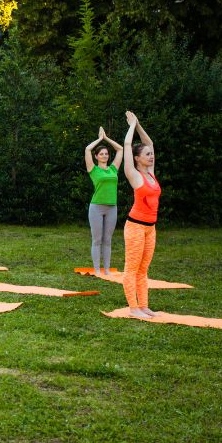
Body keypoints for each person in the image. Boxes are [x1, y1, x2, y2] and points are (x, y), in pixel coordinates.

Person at [122, 111, 160, 318]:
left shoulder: (151, 174)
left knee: (143, 269)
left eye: (150, 154)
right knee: (132, 268)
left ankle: (143, 306)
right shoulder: (134, 175)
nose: (151, 156)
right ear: (137, 158)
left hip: (150, 228)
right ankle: (133, 308)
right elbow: (128, 146)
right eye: (146, 154)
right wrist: (130, 126)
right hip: (135, 226)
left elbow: (150, 142)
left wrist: (138, 125)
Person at [84, 126, 124, 275]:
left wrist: (106, 138)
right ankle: (96, 269)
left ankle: (107, 269)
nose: (105, 156)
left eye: (106, 153)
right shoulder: (93, 170)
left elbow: (120, 149)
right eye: (101, 154)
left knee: (107, 239)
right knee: (97, 239)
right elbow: (87, 149)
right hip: (96, 207)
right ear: (96, 156)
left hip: (111, 207)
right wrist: (99, 139)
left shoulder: (113, 169)